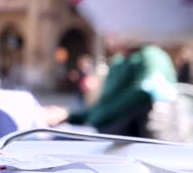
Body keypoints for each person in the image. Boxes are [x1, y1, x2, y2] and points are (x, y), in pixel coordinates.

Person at [46, 36, 180, 140]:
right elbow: (105, 104)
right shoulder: (119, 61)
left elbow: (142, 92)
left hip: (132, 138)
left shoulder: (151, 55)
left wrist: (95, 118)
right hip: (110, 131)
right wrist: (68, 115)